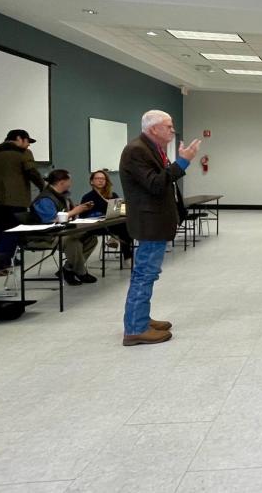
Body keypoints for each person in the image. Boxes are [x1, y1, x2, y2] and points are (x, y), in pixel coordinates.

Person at [120, 110, 201, 346]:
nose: (172, 130)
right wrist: (183, 162)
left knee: (147, 274)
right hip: (149, 223)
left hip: (155, 221)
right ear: (153, 128)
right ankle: (135, 328)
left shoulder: (151, 149)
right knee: (144, 274)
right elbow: (156, 184)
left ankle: (140, 318)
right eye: (168, 126)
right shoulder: (137, 150)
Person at [0, 129, 45, 270]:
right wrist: (44, 187)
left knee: (2, 227)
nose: (28, 145)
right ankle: (2, 263)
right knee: (14, 229)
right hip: (16, 199)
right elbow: (32, 172)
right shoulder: (23, 153)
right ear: (19, 138)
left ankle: (6, 256)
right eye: (27, 141)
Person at [28, 169, 98, 286]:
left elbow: (66, 215)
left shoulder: (62, 196)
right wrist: (74, 211)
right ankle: (81, 272)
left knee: (91, 238)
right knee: (72, 241)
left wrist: (77, 210)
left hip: (62, 231)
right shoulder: (45, 199)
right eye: (69, 180)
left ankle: (67, 269)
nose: (71, 183)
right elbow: (51, 220)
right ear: (61, 182)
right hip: (45, 235)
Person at [81, 170, 134, 263]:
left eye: (103, 179)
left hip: (112, 224)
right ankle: (127, 256)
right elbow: (83, 216)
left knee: (126, 224)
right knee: (124, 227)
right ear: (91, 181)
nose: (101, 181)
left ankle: (115, 240)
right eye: (97, 178)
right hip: (96, 226)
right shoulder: (87, 197)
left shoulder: (113, 195)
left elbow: (119, 211)